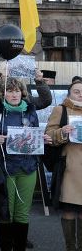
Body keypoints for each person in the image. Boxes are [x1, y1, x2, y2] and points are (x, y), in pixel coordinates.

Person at [0, 77, 51, 251]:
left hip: (27, 168)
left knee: (22, 213)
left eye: (17, 91)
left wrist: (41, 139)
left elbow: (33, 136)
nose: (14, 94)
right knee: (6, 212)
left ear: (23, 93)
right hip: (4, 168)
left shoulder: (30, 110)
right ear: (2, 93)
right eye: (10, 91)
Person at [45, 81, 82, 251]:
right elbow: (48, 136)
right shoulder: (61, 109)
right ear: (69, 94)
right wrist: (62, 132)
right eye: (76, 91)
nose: (80, 94)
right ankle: (70, 248)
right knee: (69, 210)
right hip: (70, 169)